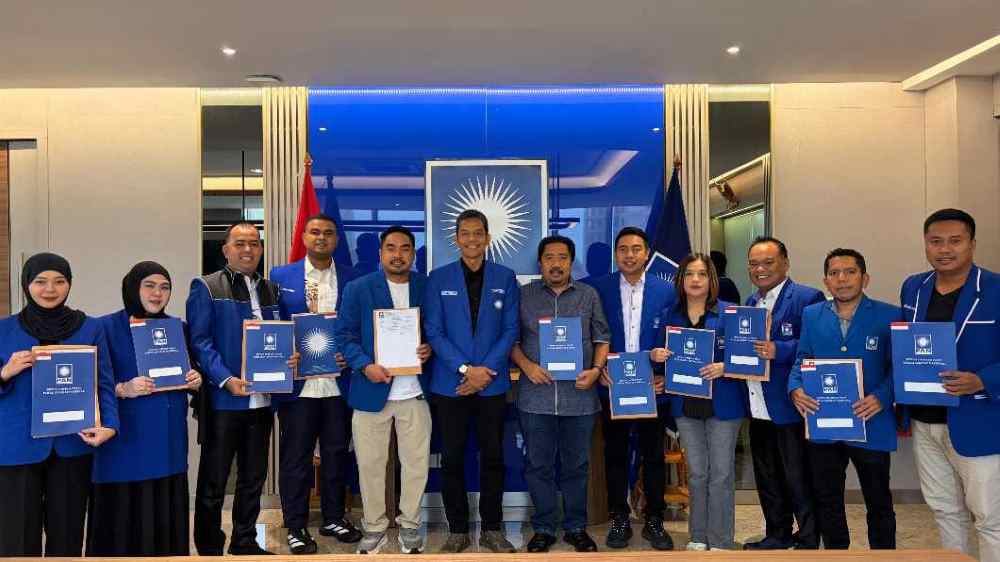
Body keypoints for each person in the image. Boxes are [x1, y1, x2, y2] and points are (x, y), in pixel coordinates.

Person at [188, 221, 298, 556]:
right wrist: (226, 379)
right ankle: (209, 547)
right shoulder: (206, 287)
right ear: (225, 249)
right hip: (224, 401)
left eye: (254, 243)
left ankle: (245, 540)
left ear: (261, 249)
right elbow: (200, 342)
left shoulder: (272, 290)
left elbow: (280, 336)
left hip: (262, 401)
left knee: (253, 477)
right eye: (240, 243)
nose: (248, 249)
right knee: (214, 480)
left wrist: (290, 357)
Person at [0, 252, 119, 556]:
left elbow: (104, 382)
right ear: (27, 284)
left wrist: (110, 425)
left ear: (70, 284)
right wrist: (5, 372)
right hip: (17, 446)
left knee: (67, 535)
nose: (50, 289)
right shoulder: (4, 329)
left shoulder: (90, 328)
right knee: (16, 535)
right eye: (41, 281)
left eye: (59, 281)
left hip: (72, 442)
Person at [900, 209, 1000, 562]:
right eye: (936, 241)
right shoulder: (914, 287)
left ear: (972, 244)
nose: (945, 249)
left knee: (990, 517)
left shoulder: (995, 289)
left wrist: (982, 380)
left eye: (955, 241)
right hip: (925, 419)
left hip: (978, 418)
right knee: (944, 509)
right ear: (925, 244)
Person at [88, 261, 203, 556]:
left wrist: (196, 379)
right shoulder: (104, 327)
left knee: (164, 516)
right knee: (122, 522)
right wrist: (122, 389)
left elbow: (191, 373)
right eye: (149, 286)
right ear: (132, 288)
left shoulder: (178, 328)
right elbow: (88, 383)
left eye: (165, 287)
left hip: (166, 441)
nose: (157, 293)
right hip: (124, 443)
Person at [423, 209, 520, 553]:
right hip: (451, 384)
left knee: (493, 458)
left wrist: (483, 372)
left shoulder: (505, 277)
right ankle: (458, 530)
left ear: (488, 238)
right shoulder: (438, 278)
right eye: (465, 233)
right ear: (456, 239)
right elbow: (433, 330)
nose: (472, 239)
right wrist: (466, 370)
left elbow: (511, 329)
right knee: (452, 459)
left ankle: (493, 529)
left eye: (478, 233)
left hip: (491, 385)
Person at [788, 248, 899, 549]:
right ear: (826, 281)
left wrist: (881, 397)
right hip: (825, 424)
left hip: (871, 422)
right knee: (827, 501)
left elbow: (899, 368)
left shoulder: (890, 315)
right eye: (834, 273)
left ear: (865, 278)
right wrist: (795, 388)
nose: (842, 279)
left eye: (850, 272)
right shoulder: (812, 314)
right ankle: (837, 554)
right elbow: (802, 358)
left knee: (879, 501)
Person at [335, 226, 433, 555]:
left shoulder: (425, 286)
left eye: (405, 248)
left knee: (416, 464)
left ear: (413, 254)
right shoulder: (358, 288)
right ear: (380, 253)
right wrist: (365, 365)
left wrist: (429, 348)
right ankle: (374, 526)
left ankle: (410, 525)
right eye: (391, 248)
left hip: (415, 392)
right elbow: (344, 336)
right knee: (371, 465)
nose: (398, 255)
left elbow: (437, 330)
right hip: (370, 390)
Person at [511, 235, 611, 553]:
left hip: (579, 399)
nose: (556, 264)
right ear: (540, 263)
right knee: (538, 466)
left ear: (571, 262)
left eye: (563, 257)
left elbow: (602, 337)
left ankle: (575, 527)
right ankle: (543, 528)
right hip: (535, 398)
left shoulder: (588, 295)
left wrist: (596, 370)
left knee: (576, 467)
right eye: (549, 258)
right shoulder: (524, 295)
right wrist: (527, 366)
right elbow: (510, 340)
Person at [269, 213, 362, 553]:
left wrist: (350, 355)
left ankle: (334, 517)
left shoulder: (353, 278)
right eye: (315, 232)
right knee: (297, 457)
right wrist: (285, 353)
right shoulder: (280, 276)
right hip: (299, 386)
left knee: (337, 453)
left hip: (339, 385)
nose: (321, 237)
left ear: (336, 239)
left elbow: (360, 327)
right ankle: (295, 524)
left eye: (328, 233)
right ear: (304, 236)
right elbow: (272, 323)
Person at [584, 226, 675, 550]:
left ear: (647, 253)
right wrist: (598, 368)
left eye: (636, 249)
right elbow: (587, 334)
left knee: (653, 456)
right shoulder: (599, 289)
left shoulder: (668, 291)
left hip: (653, 387)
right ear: (615, 254)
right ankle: (619, 518)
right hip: (613, 387)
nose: (629, 255)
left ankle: (654, 519)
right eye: (623, 249)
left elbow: (676, 336)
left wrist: (666, 374)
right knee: (615, 455)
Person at [652, 253, 746, 551]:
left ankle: (720, 540)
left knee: (721, 474)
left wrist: (725, 366)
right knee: (697, 473)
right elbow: (658, 361)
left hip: (724, 404)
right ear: (680, 280)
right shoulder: (669, 315)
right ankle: (698, 536)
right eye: (689, 274)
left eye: (702, 274)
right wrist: (655, 356)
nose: (695, 280)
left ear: (711, 280)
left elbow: (748, 357)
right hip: (686, 405)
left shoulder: (730, 313)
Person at [742, 236, 825, 550]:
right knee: (767, 476)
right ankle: (777, 534)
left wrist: (780, 349)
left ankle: (808, 538)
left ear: (785, 263)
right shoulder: (750, 302)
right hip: (757, 404)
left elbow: (817, 344)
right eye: (753, 264)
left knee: (798, 477)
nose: (760, 269)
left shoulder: (807, 297)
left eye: (768, 262)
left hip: (790, 405)